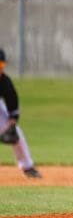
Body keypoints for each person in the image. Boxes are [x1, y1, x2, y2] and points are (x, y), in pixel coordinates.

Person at [0, 49, 41, 178]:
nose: (0, 69)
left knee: (16, 132)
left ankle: (28, 167)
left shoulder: (5, 82)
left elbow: (12, 105)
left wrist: (11, 122)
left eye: (1, 65)